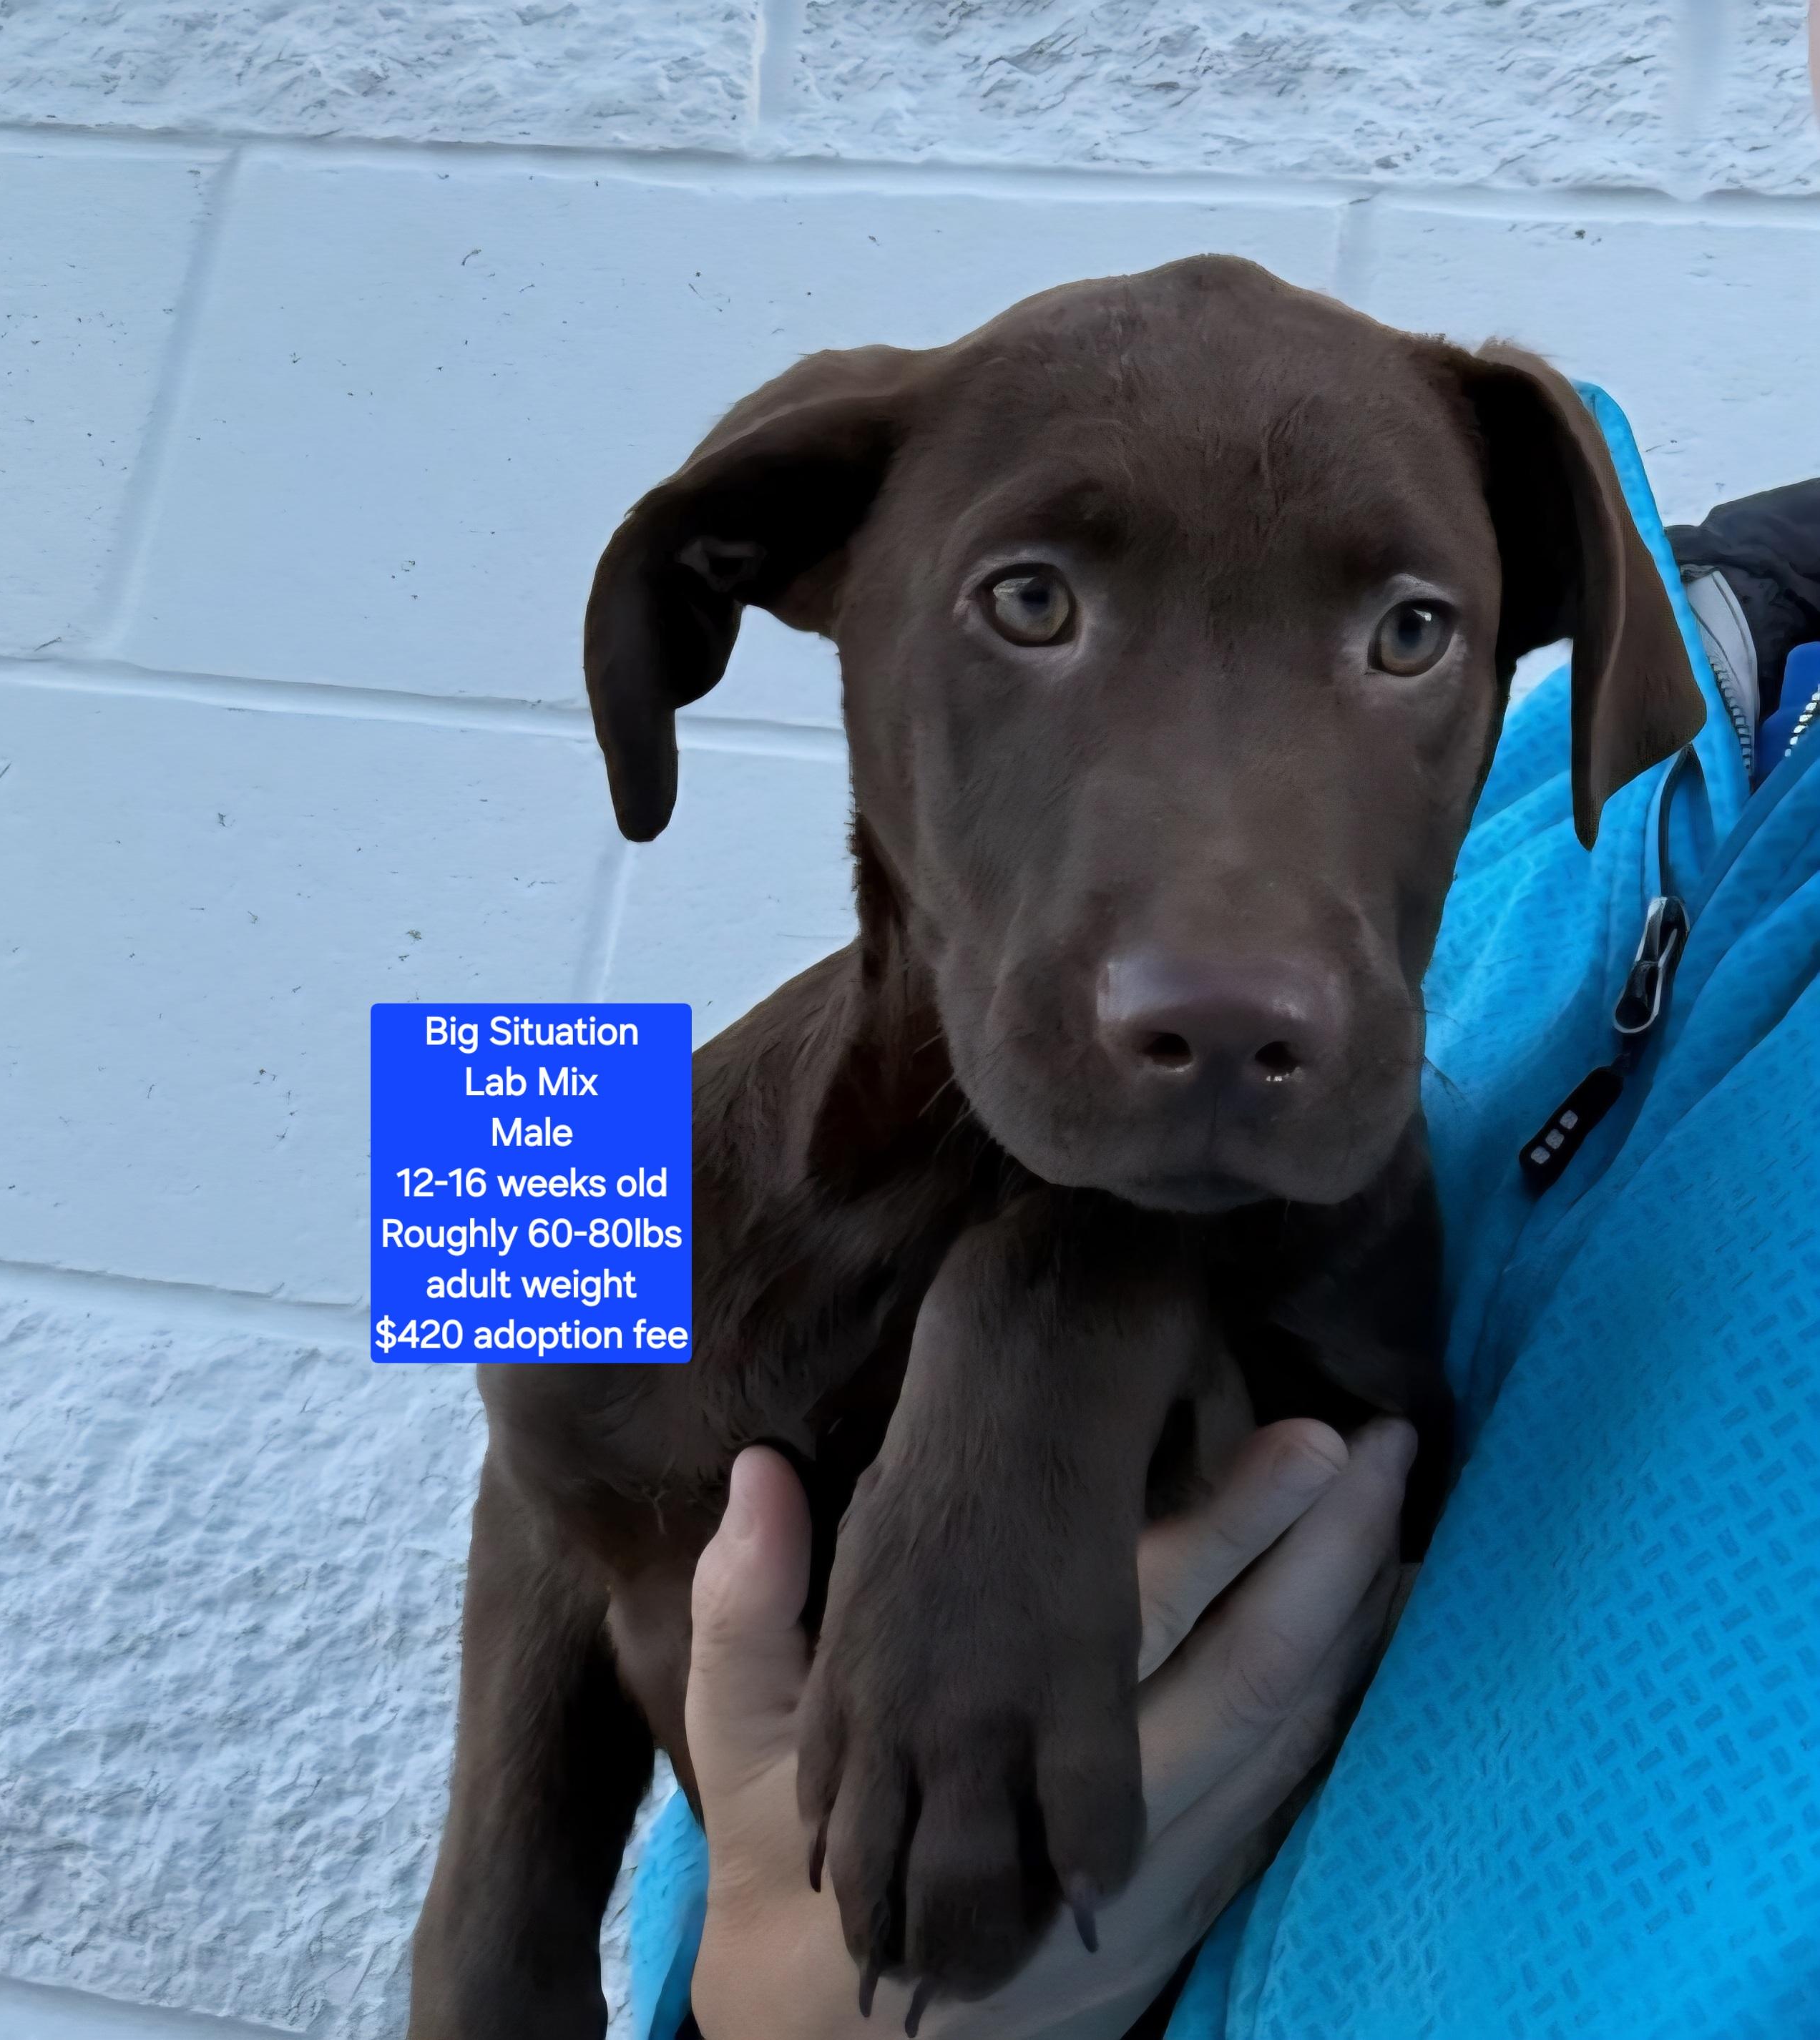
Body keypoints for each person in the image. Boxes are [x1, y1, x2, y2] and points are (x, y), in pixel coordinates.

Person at [622, 18, 1820, 2033]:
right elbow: (658, 1579)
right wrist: (752, 1991)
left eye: (1397, 636)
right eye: (1029, 609)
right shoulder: (1561, 784)